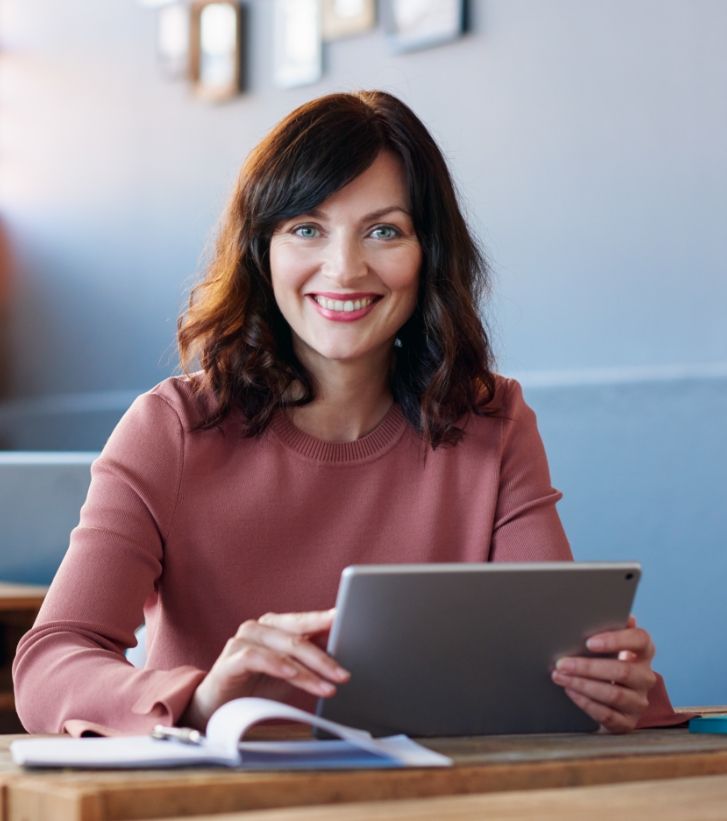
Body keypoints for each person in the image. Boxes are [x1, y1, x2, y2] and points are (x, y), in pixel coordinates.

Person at [13, 91, 679, 737]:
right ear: (261, 251)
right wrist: (201, 696)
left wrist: (613, 688)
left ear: (429, 254)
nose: (344, 267)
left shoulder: (491, 420)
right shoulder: (170, 429)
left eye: (384, 230)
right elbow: (49, 663)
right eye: (306, 228)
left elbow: (557, 663)